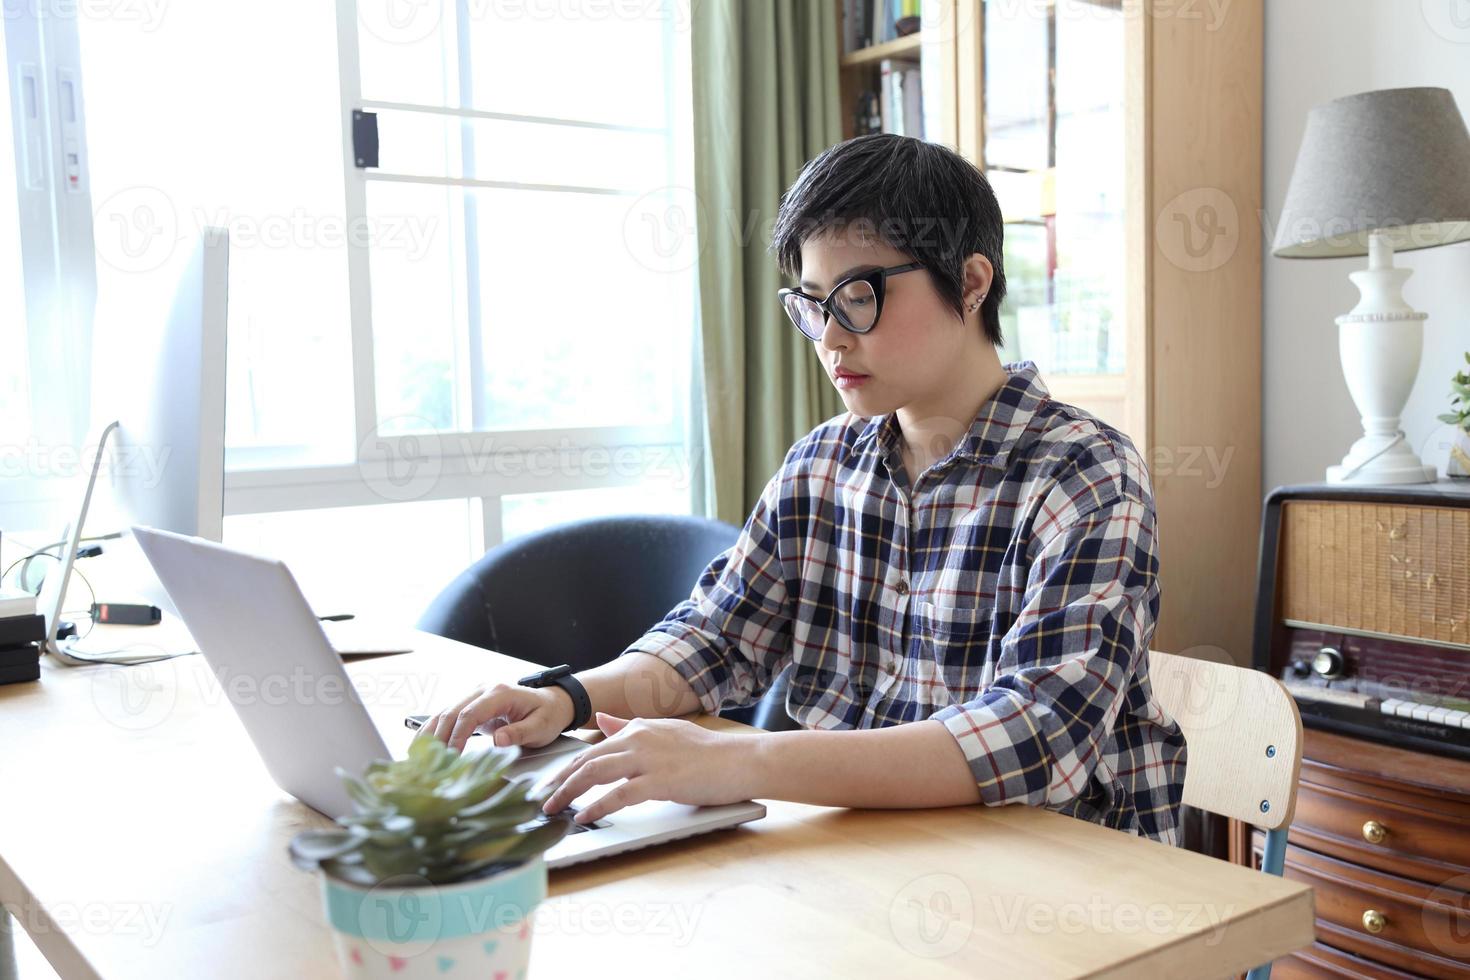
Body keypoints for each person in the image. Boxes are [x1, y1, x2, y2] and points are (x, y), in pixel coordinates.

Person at [423, 132, 1187, 844]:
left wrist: (743, 763)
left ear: (973, 282)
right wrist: (569, 699)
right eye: (813, 304)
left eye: (857, 295)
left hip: (1059, 880)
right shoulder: (823, 464)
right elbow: (717, 637)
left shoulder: (1085, 475)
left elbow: (1035, 735)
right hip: (870, 849)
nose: (829, 337)